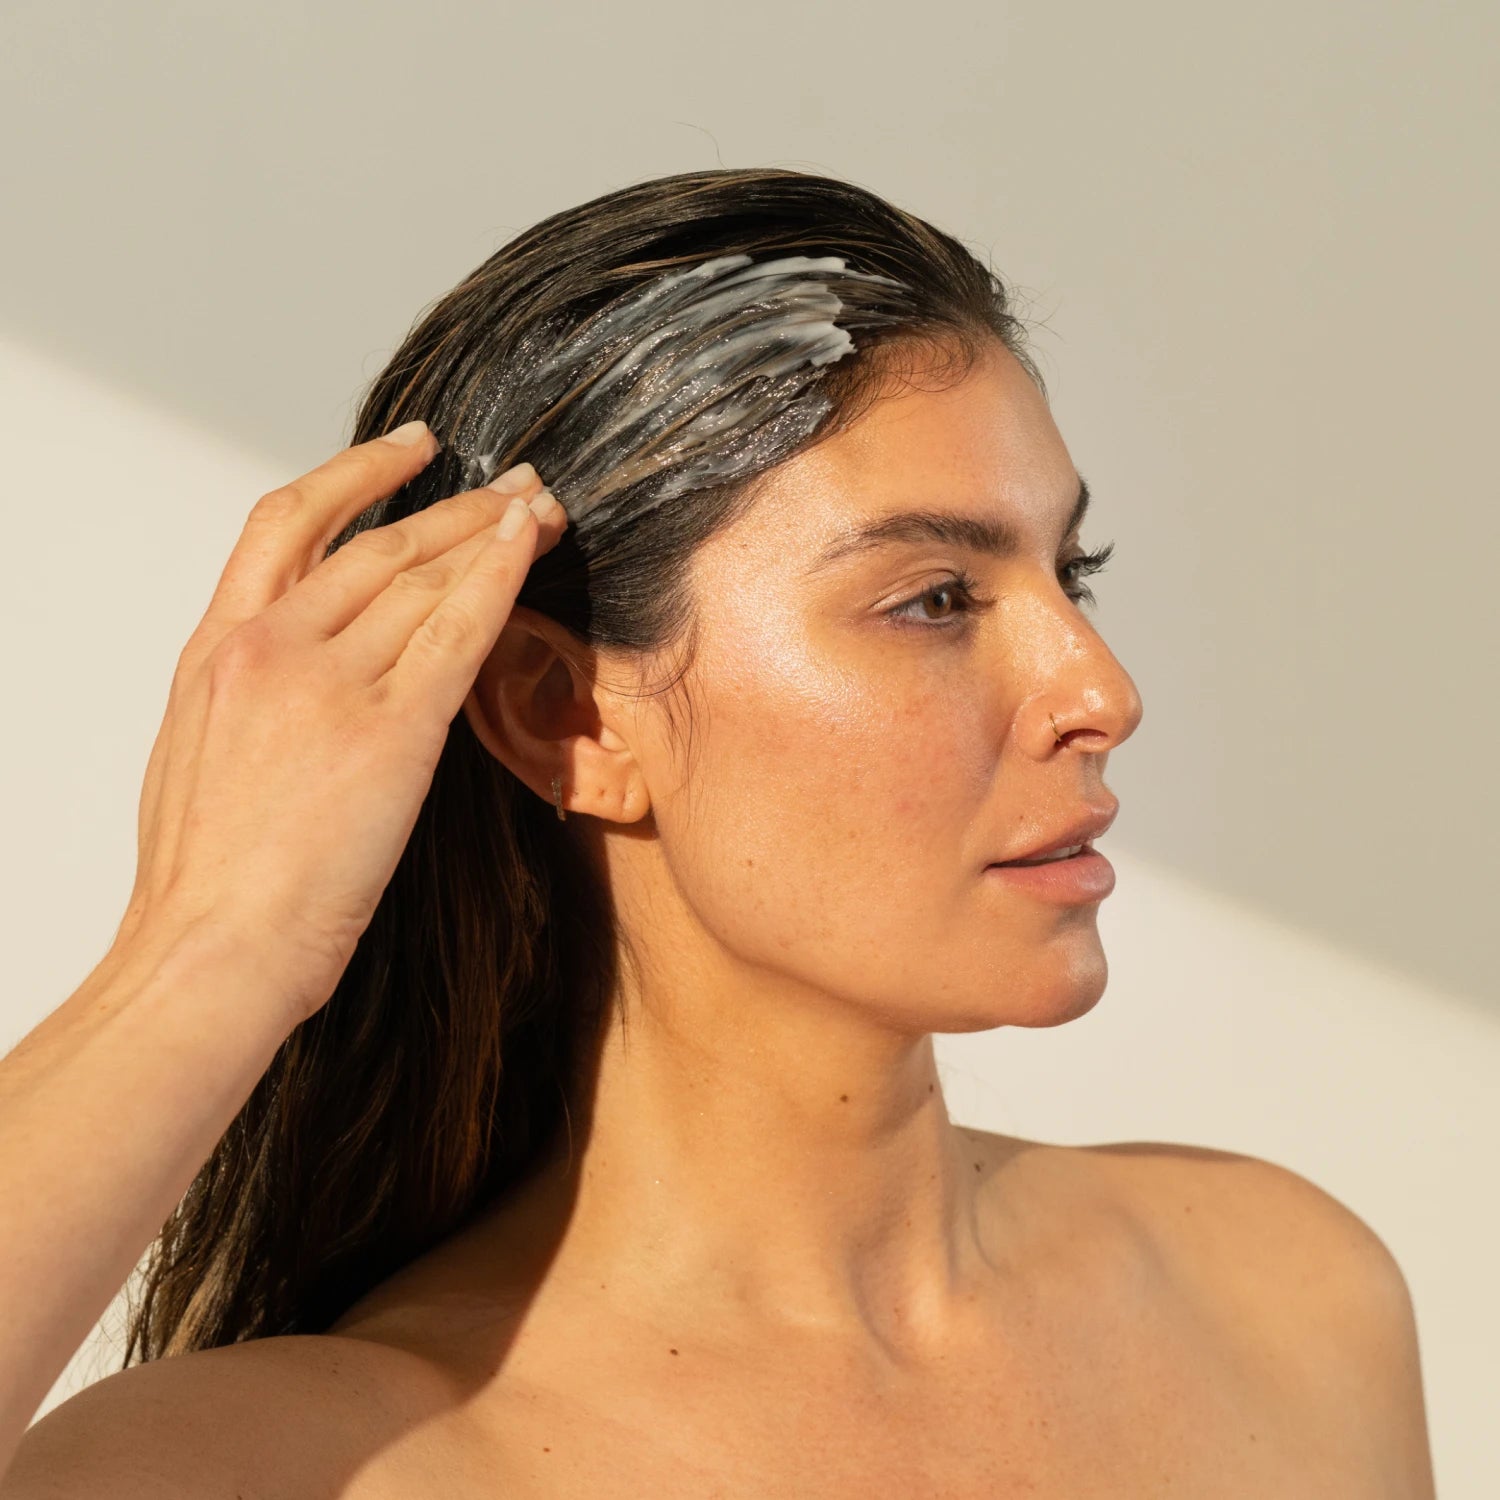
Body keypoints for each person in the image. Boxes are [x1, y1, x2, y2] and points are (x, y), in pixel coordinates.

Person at [0, 168, 1434, 1496]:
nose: (1101, 692)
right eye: (935, 597)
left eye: (1074, 573)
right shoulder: (278, 1468)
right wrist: (204, 954)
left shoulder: (1289, 1301)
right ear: (568, 715)